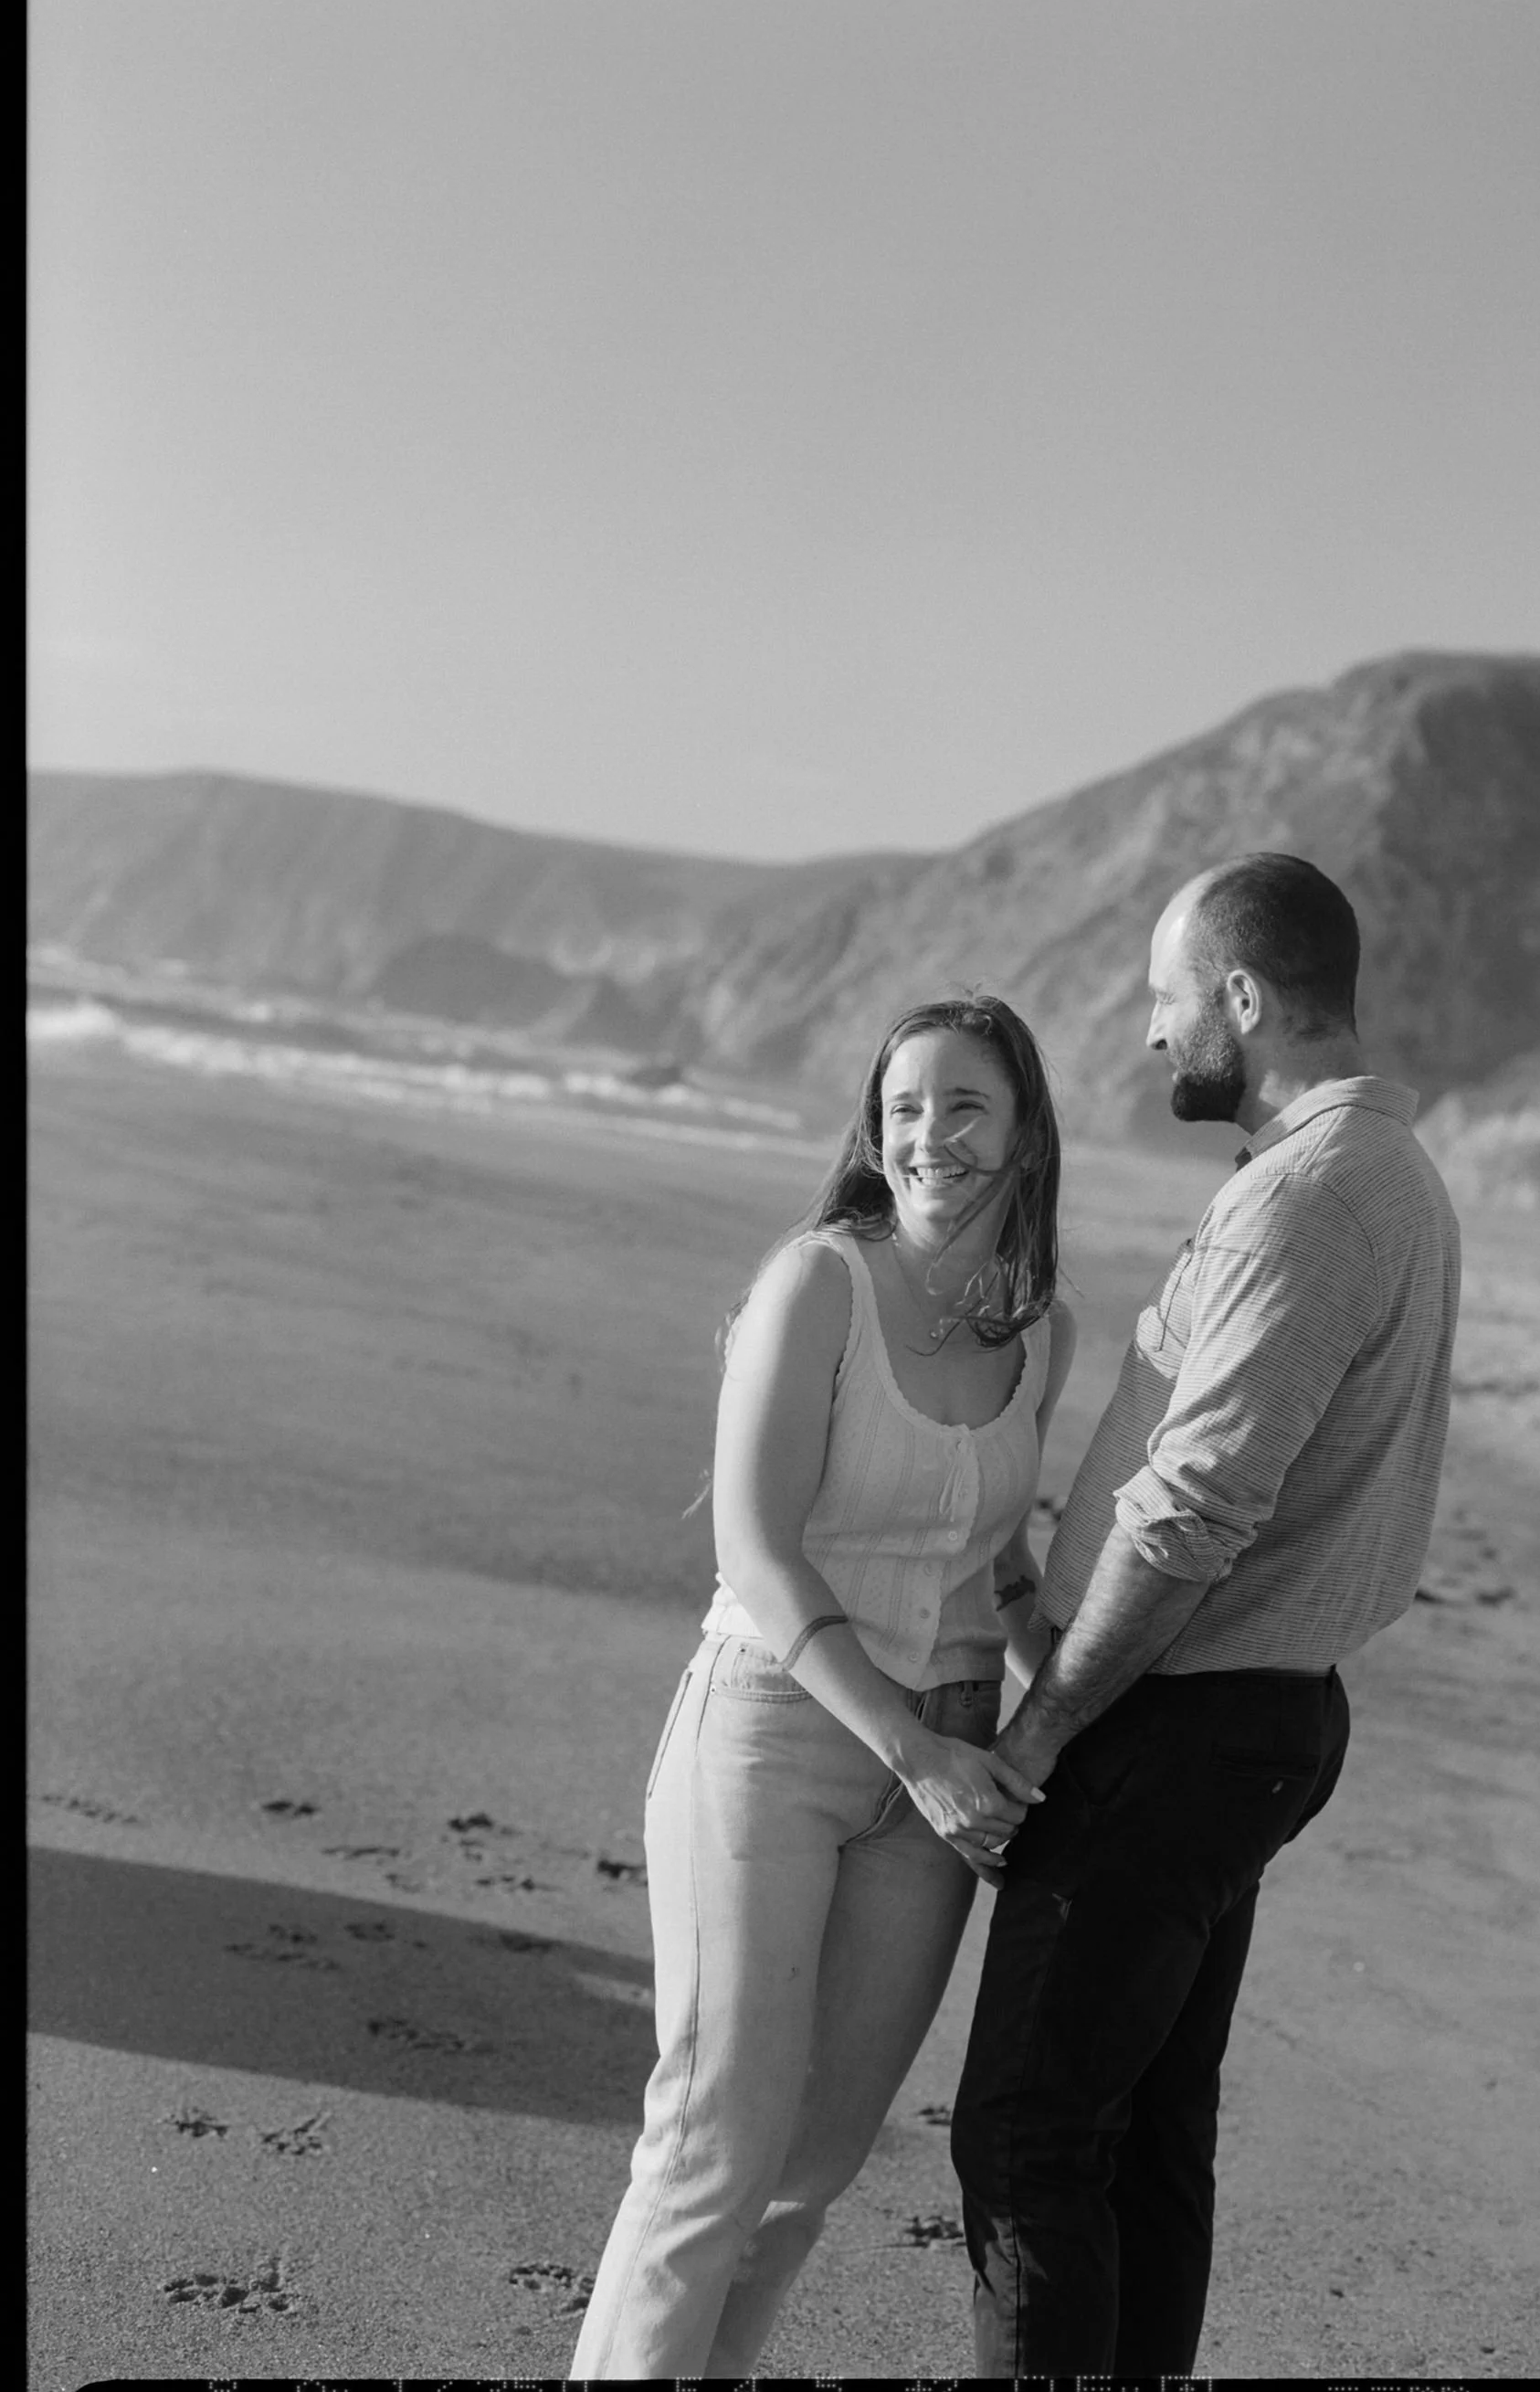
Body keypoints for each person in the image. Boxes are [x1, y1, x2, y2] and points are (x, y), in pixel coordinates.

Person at [950, 854, 1462, 2377]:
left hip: (1181, 1730)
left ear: (1244, 996)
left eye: (1170, 1001)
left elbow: (1196, 1510)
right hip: (1255, 1718)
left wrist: (1042, 1728)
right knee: (1143, 2136)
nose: (1153, 1037)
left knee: (1029, 2141)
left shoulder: (1306, 1198)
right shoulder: (1382, 1174)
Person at [569, 993, 1076, 2381]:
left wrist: (1081, 1703)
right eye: (905, 1108)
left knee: (814, 2166)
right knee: (714, 2139)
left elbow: (1003, 1562)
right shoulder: (818, 1281)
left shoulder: (1044, 1336)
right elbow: (757, 1546)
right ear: (874, 1131)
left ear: (1026, 1134)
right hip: (776, 1733)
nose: (931, 1137)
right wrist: (911, 1747)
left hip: (947, 1770)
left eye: (966, 1105)